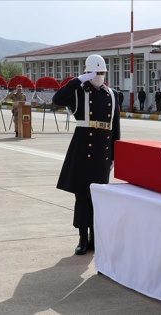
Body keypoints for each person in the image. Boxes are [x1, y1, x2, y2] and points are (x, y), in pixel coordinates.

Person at [52, 54, 121, 256]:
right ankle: (83, 239)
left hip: (102, 151)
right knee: (82, 196)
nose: (99, 76)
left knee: (98, 197)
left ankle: (94, 238)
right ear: (87, 73)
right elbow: (57, 99)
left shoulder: (112, 94)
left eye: (101, 72)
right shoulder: (79, 92)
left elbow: (115, 126)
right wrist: (77, 81)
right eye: (94, 72)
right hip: (83, 147)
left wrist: (115, 154)